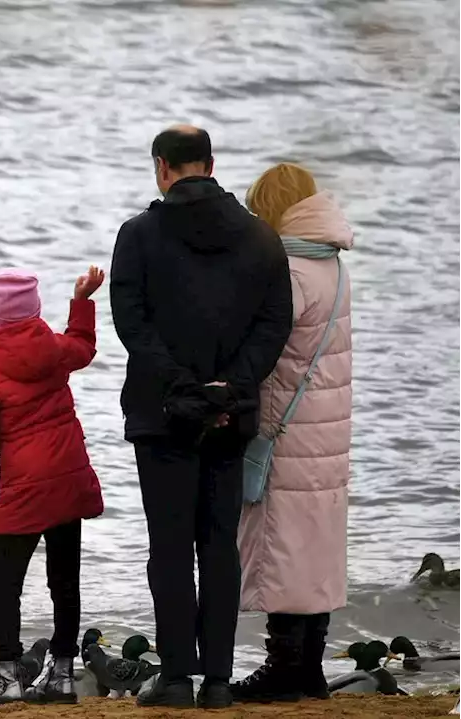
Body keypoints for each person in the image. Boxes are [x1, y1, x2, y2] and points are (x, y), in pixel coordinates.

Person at [109, 125, 293, 709]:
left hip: (164, 414)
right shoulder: (262, 238)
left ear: (162, 167)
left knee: (168, 547)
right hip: (230, 415)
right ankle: (218, 680)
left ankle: (175, 678)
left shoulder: (138, 235)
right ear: (211, 165)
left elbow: (130, 321)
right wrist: (231, 387)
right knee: (219, 544)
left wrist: (181, 387)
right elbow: (274, 324)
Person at [232, 163, 353, 703]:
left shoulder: (292, 271)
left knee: (281, 544)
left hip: (289, 427)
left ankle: (283, 667)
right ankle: (310, 669)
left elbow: (266, 346)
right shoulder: (332, 264)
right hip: (328, 430)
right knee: (316, 545)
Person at [0, 265, 106, 709]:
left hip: (24, 488)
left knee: (6, 584)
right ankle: (61, 675)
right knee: (65, 581)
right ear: (35, 309)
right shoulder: (55, 349)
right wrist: (81, 301)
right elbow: (83, 347)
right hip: (67, 479)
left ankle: (8, 676)